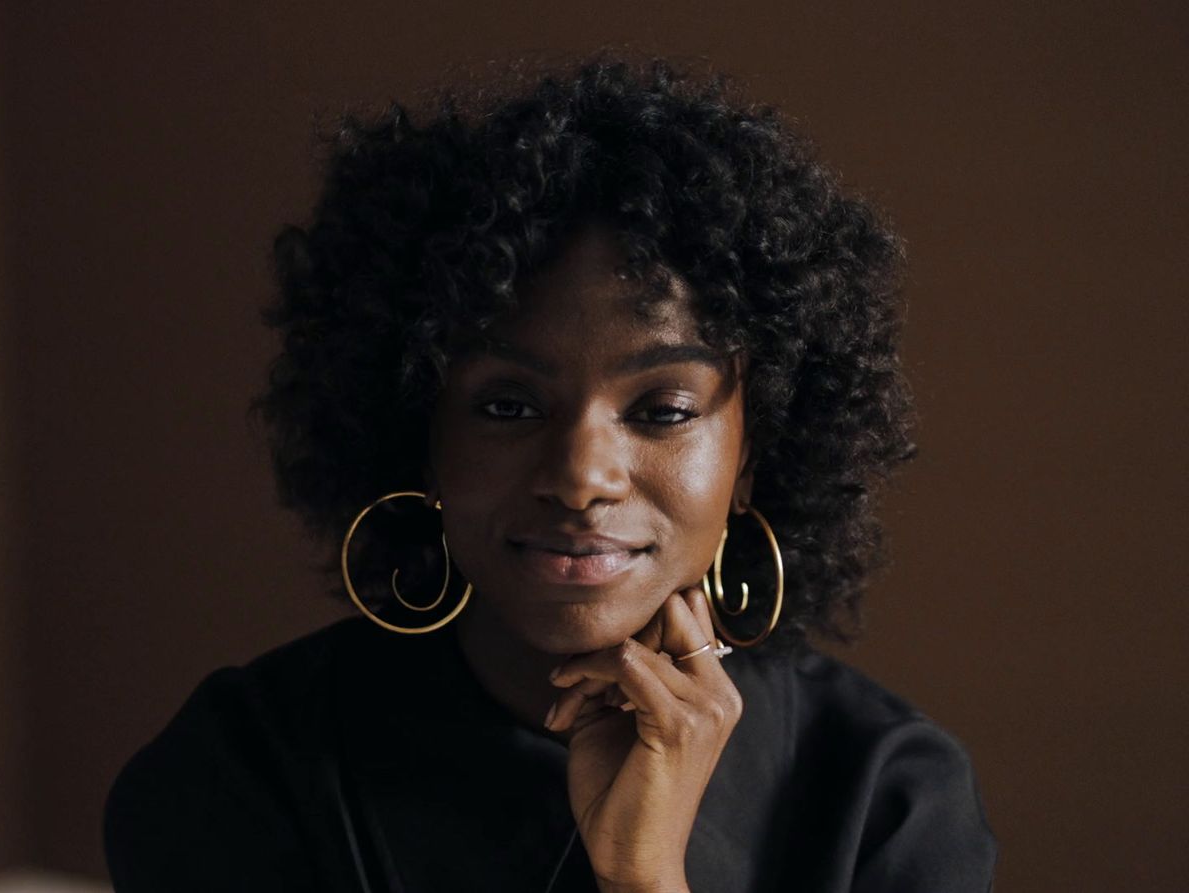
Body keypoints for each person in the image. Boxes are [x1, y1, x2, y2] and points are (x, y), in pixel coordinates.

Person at [103, 56, 996, 892]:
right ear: (421, 431)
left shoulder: (886, 797)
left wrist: (645, 876)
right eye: (507, 405)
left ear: (754, 451)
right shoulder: (245, 768)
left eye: (662, 410)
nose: (580, 477)